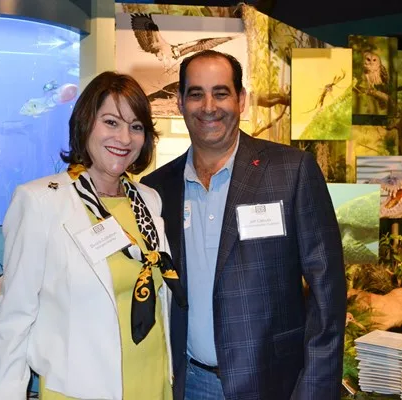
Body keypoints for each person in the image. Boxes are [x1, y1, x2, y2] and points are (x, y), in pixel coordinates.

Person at [141, 50, 347, 400]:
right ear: (180, 102)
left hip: (274, 384)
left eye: (221, 93)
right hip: (188, 383)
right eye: (196, 94)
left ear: (241, 100)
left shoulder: (291, 171)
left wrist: (314, 389)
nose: (209, 106)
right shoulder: (157, 188)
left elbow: (328, 292)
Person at [0, 71, 186, 400]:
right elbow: (14, 319)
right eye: (111, 122)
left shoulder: (148, 200)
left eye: (136, 126)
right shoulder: (41, 202)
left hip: (153, 381)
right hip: (81, 390)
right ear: (85, 123)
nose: (124, 138)